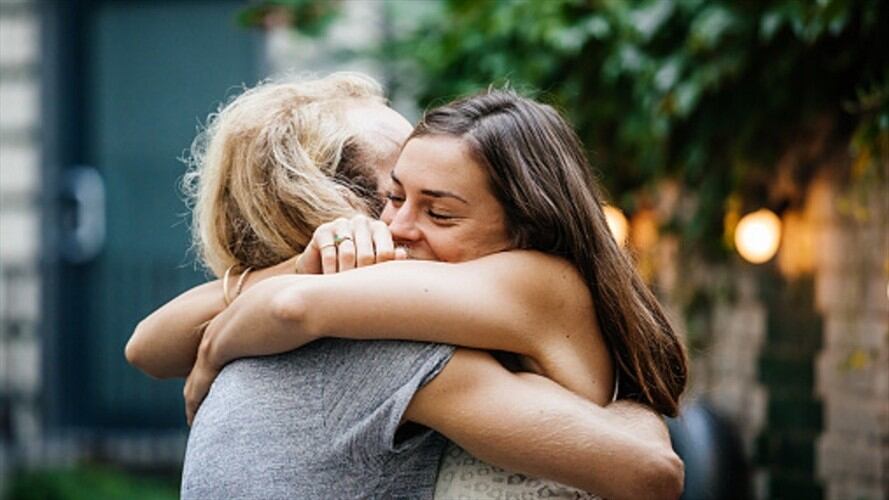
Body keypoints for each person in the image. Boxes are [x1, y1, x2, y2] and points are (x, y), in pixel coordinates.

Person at [126, 74, 685, 499]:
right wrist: (303, 266)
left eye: (437, 207)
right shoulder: (382, 339)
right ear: (334, 204)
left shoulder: (502, 291)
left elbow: (283, 307)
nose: (398, 226)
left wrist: (215, 347)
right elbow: (149, 344)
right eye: (394, 192)